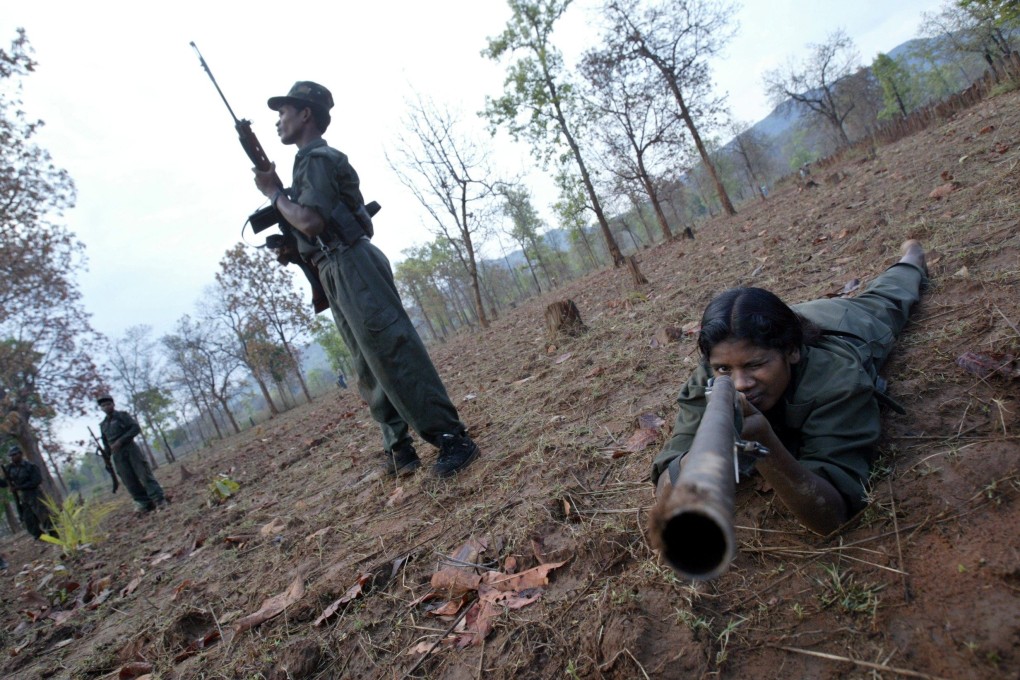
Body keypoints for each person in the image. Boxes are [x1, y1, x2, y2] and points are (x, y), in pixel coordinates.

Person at [252, 81, 480, 479]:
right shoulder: (304, 164)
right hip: (334, 269)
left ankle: (452, 439)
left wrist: (274, 195)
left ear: (306, 114)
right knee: (367, 363)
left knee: (393, 350)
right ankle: (399, 449)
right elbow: (305, 223)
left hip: (351, 263)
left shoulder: (318, 158)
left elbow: (312, 220)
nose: (278, 121)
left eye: (283, 112)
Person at [652, 240, 929, 535]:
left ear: (792, 352)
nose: (741, 384)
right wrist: (706, 444)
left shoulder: (837, 380)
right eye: (724, 369)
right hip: (771, 324)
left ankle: (912, 255)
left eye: (756, 365)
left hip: (845, 323)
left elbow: (832, 517)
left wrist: (763, 445)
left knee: (892, 292)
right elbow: (665, 486)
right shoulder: (710, 378)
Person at [97, 396, 167, 513]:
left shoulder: (123, 416)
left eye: (108, 404)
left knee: (144, 474)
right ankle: (144, 503)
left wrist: (120, 441)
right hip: (117, 455)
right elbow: (106, 443)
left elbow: (135, 428)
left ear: (113, 404)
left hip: (130, 449)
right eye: (103, 406)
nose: (106, 407)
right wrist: (106, 455)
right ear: (101, 408)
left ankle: (159, 499)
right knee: (128, 480)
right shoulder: (103, 425)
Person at [0, 445, 52, 539]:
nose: (12, 457)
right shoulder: (9, 468)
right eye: (11, 456)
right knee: (28, 519)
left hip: (35, 494)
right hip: (23, 498)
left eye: (14, 455)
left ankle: (54, 535)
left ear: (20, 454)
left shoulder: (30, 466)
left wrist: (19, 487)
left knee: (44, 516)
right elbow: (5, 483)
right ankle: (41, 537)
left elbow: (36, 481)